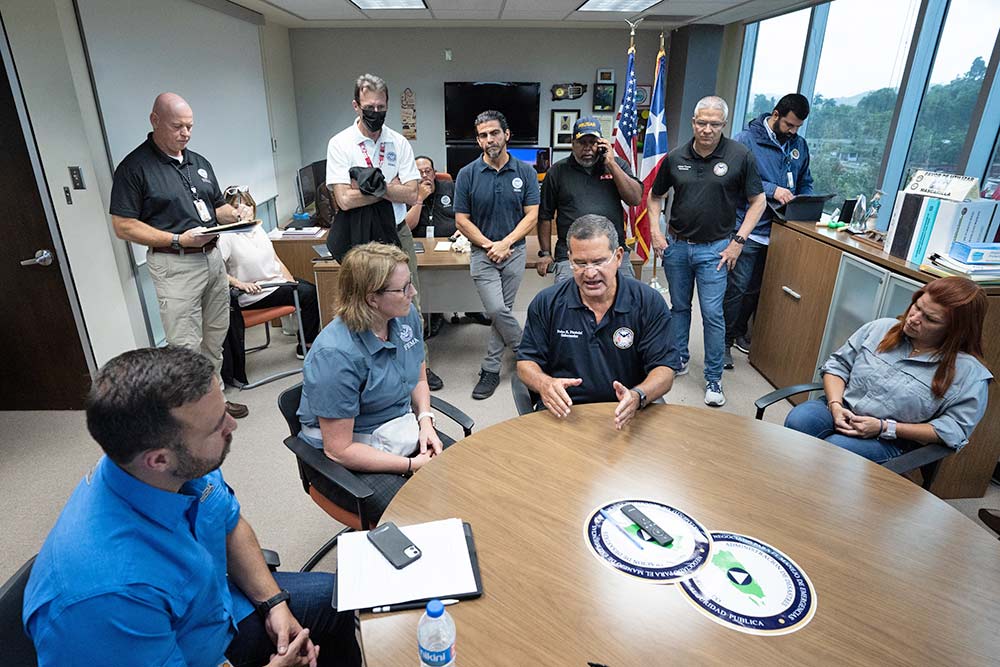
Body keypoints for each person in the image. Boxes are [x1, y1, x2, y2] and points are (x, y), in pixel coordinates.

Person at [22, 346, 361, 667]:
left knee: (333, 600)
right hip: (174, 647)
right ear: (157, 459)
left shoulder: (174, 465)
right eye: (217, 426)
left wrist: (274, 603)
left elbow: (229, 522)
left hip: (211, 612)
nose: (232, 425)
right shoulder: (106, 596)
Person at [110, 92, 252, 419]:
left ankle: (214, 397)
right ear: (155, 120)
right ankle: (193, 412)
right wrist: (176, 239)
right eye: (178, 126)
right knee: (185, 344)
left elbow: (215, 208)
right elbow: (124, 226)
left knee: (215, 335)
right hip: (174, 263)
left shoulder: (198, 162)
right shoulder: (135, 168)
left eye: (190, 126)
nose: (185, 133)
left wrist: (236, 212)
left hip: (212, 259)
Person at [297, 243, 444, 522]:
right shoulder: (335, 355)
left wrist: (425, 420)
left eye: (410, 284)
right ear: (372, 298)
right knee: (421, 516)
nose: (412, 294)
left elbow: (418, 376)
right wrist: (411, 464)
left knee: (465, 477)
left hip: (397, 430)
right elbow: (338, 450)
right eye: (403, 289)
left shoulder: (405, 316)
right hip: (347, 458)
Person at [784, 277, 992, 464]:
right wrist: (836, 405)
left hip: (892, 438)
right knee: (800, 420)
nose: (913, 318)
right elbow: (838, 366)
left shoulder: (969, 373)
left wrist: (885, 427)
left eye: (930, 319)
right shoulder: (881, 328)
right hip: (844, 407)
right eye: (916, 306)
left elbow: (954, 430)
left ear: (955, 330)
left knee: (837, 449)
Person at [646, 95, 766, 408]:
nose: (707, 129)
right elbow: (654, 197)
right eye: (702, 122)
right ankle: (678, 359)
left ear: (723, 125)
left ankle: (714, 378)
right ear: (693, 122)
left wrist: (738, 242)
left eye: (714, 124)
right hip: (677, 248)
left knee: (713, 315)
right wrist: (656, 233)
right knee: (679, 307)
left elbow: (759, 201)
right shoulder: (675, 157)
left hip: (716, 250)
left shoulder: (740, 156)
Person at [325, 73, 442, 391]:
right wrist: (390, 188)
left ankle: (420, 368)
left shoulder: (398, 142)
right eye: (369, 106)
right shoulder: (340, 144)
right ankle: (363, 368)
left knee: (409, 302)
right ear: (356, 105)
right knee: (360, 302)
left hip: (396, 231)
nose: (375, 112)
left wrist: (368, 184)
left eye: (381, 106)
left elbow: (412, 194)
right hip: (359, 238)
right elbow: (344, 200)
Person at [517, 215, 677, 429]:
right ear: (569, 259)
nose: (590, 273)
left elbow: (665, 369)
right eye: (580, 263)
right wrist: (544, 384)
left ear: (619, 256)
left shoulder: (648, 302)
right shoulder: (547, 303)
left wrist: (639, 395)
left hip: (627, 411)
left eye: (599, 261)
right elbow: (525, 363)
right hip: (564, 412)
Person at [454, 110, 540, 399]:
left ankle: (490, 370)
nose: (489, 139)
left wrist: (507, 243)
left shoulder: (526, 171)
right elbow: (461, 220)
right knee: (497, 310)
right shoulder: (467, 174)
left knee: (500, 313)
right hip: (482, 255)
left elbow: (532, 216)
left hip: (513, 253)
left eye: (494, 133)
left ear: (506, 135)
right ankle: (530, 353)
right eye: (483, 135)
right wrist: (491, 245)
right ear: (478, 140)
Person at [725, 93, 815, 367]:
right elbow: (734, 179)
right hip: (748, 227)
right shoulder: (745, 140)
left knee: (757, 289)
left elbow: (805, 181)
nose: (793, 131)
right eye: (789, 125)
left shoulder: (798, 145)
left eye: (798, 127)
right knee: (736, 288)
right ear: (775, 115)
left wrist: (805, 201)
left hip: (781, 231)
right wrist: (772, 189)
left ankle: (740, 332)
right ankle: (723, 341)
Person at [537, 117, 643, 283]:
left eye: (592, 143)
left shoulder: (617, 166)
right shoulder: (557, 171)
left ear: (601, 144)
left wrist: (612, 165)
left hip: (611, 251)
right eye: (582, 142)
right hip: (571, 253)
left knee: (627, 300)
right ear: (573, 143)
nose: (587, 148)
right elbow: (545, 216)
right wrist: (545, 253)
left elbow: (635, 198)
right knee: (567, 302)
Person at [217, 221, 321, 358]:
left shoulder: (258, 229)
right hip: (253, 291)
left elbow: (276, 259)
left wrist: (290, 281)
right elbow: (217, 270)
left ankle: (307, 339)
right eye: (237, 206)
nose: (244, 210)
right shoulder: (226, 236)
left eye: (248, 205)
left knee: (309, 287)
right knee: (308, 294)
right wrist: (238, 283)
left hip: (273, 282)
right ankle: (306, 345)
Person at [405, 155, 457, 239]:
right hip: (419, 243)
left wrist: (462, 231)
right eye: (419, 172)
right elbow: (407, 227)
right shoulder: (408, 193)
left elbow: (466, 215)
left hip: (451, 240)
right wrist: (420, 198)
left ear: (434, 173)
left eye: (428, 171)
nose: (424, 175)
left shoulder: (450, 187)